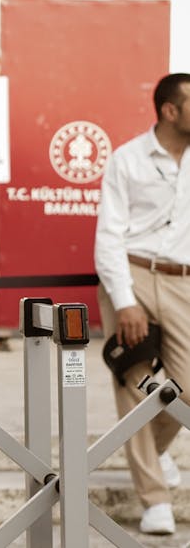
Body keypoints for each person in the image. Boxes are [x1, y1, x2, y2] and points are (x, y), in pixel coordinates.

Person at [95, 71, 190, 535]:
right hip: (130, 273)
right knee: (135, 383)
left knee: (187, 386)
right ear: (170, 110)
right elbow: (109, 235)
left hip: (183, 282)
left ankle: (154, 452)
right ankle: (155, 500)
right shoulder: (127, 159)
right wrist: (124, 301)